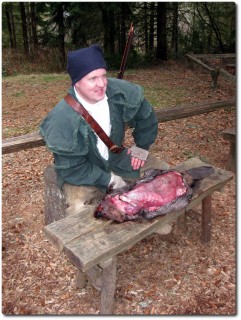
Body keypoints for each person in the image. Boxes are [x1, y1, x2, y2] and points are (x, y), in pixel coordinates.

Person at [39, 44, 170, 222]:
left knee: (161, 177)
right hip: (82, 169)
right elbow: (72, 167)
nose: (101, 84)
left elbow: (145, 115)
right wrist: (109, 179)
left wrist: (142, 146)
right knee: (81, 213)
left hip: (114, 157)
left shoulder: (118, 93)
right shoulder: (61, 119)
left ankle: (154, 223)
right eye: (92, 79)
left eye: (103, 76)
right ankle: (93, 245)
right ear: (76, 82)